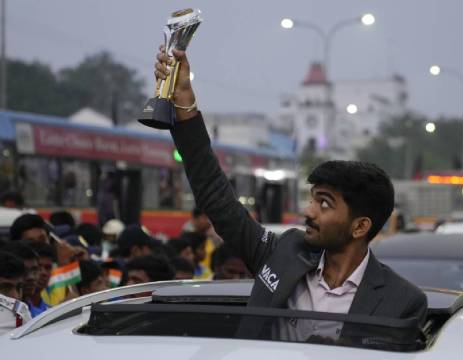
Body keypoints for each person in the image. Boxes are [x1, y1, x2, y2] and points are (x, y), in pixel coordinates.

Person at [154, 48, 427, 328]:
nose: (309, 211)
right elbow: (217, 199)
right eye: (312, 199)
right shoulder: (284, 254)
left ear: (360, 226)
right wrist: (184, 102)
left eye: (324, 203)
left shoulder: (402, 302)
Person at [26, 242, 56, 317]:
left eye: (48, 267)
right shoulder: (17, 313)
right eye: (38, 267)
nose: (44, 273)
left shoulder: (52, 312)